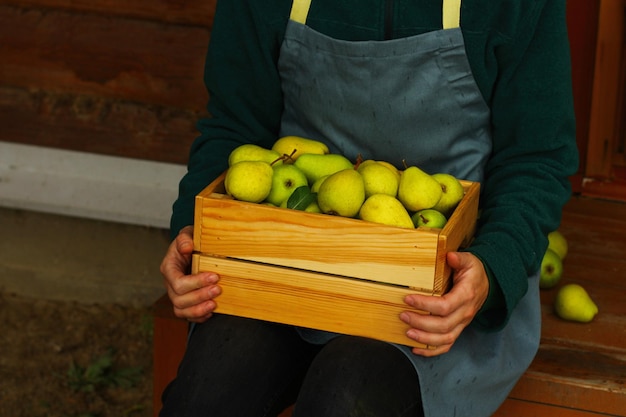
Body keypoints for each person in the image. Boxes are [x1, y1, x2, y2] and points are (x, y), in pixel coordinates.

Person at [159, 0, 579, 416]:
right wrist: (193, 237)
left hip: (435, 295)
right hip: (283, 264)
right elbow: (235, 127)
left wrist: (491, 268)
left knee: (348, 396)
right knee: (206, 393)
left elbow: (536, 158)